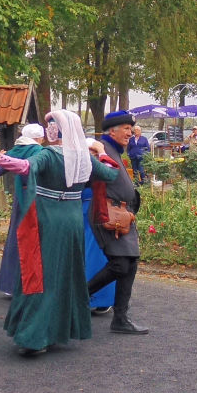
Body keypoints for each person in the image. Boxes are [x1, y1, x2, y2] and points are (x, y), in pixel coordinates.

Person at [0, 110, 120, 356]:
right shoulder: (84, 158)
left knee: (41, 273)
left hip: (48, 219)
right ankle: (56, 330)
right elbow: (111, 173)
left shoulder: (48, 154)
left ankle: (36, 335)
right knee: (65, 273)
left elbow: (24, 167)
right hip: (73, 220)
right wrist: (100, 151)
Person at [87, 111, 150, 334]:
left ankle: (120, 319)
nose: (130, 133)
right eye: (125, 129)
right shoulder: (100, 147)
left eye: (131, 129)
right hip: (108, 215)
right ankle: (80, 298)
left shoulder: (115, 150)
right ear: (111, 131)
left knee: (130, 264)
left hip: (123, 214)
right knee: (120, 265)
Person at [0, 123, 45, 297]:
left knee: (16, 237)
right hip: (37, 198)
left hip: (20, 198)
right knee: (35, 239)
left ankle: (11, 284)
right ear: (40, 138)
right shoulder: (41, 152)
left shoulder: (14, 151)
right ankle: (32, 284)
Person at [82, 138, 116, 314]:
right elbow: (110, 173)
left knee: (94, 253)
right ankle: (95, 296)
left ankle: (99, 297)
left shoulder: (85, 163)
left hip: (91, 210)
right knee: (90, 253)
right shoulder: (90, 164)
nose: (92, 155)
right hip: (88, 210)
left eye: (94, 152)